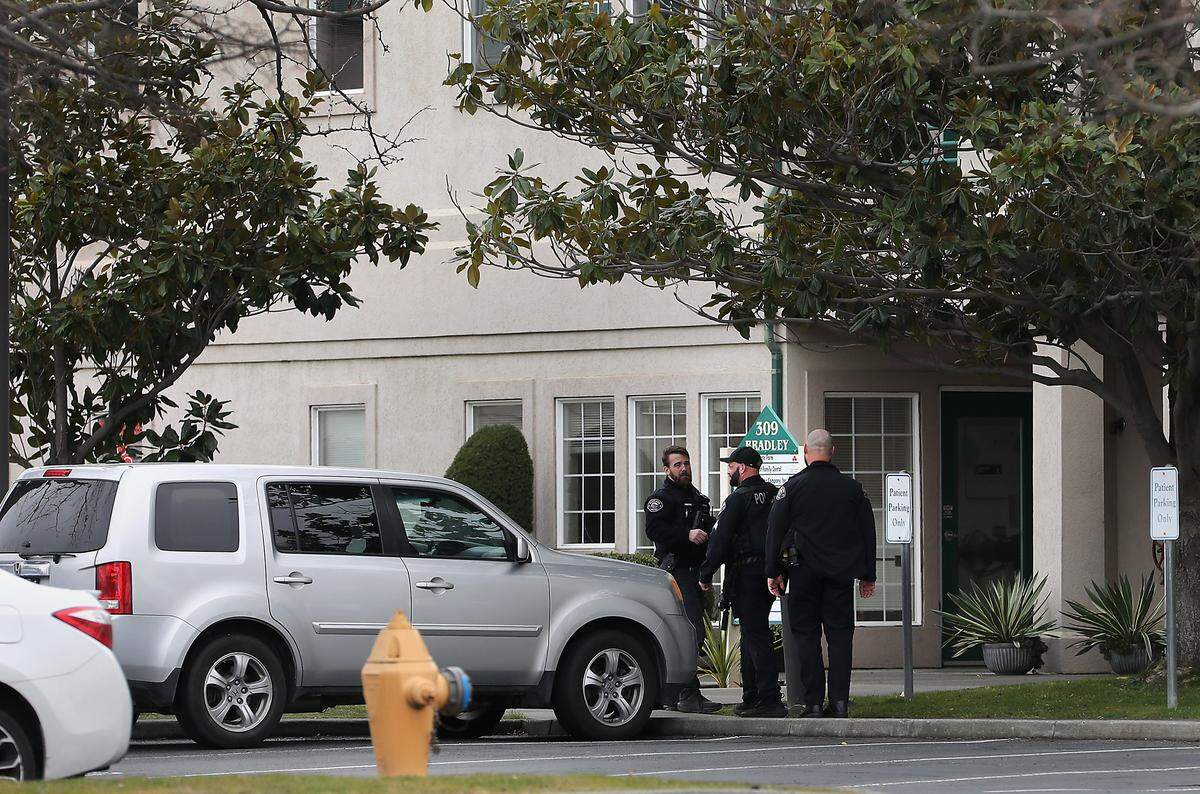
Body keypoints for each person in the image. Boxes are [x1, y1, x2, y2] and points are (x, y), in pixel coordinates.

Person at [765, 429, 876, 718]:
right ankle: (839, 701)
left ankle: (813, 702)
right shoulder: (851, 488)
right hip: (840, 575)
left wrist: (772, 571)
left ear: (805, 451)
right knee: (840, 637)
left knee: (806, 636)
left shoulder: (793, 487)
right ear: (832, 451)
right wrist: (869, 574)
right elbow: (867, 531)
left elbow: (774, 531)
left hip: (804, 574)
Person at [699, 445, 786, 718]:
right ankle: (752, 697)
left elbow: (720, 538)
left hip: (746, 573)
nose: (728, 470)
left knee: (756, 636)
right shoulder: (774, 494)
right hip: (768, 572)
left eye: (731, 465)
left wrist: (705, 573)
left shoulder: (738, 498)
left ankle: (769, 699)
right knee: (752, 635)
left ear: (743, 468)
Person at [645, 444, 721, 714]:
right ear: (667, 469)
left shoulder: (698, 497)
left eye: (686, 463)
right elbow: (653, 530)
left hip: (696, 571)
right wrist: (685, 534)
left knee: (694, 633)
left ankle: (680, 693)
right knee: (690, 633)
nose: (684, 468)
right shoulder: (661, 498)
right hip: (676, 571)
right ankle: (687, 695)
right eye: (677, 465)